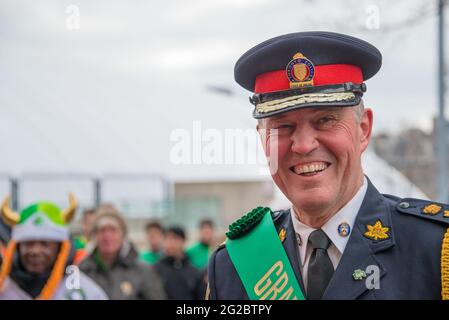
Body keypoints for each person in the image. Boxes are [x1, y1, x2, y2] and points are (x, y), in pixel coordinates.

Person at [207, 31, 449, 300]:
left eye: (325, 120)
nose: (303, 145)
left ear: (363, 130)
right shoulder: (234, 264)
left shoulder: (437, 250)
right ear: (263, 140)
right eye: (284, 126)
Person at [0, 193, 108, 300]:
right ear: (17, 247)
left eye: (45, 244)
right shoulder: (4, 290)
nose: (35, 251)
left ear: (60, 248)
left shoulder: (86, 293)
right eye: (28, 243)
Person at [79, 206, 167, 300]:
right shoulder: (83, 271)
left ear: (123, 235)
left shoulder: (142, 271)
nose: (107, 236)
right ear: (95, 235)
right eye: (102, 230)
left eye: (113, 230)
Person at [155, 226, 205, 300]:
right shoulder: (155, 270)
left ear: (183, 241)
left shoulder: (194, 272)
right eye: (166, 238)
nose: (170, 243)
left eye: (174, 238)